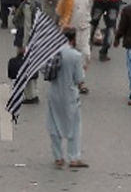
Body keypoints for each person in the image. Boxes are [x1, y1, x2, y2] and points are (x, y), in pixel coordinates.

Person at [46, 28, 87, 170]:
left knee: (54, 124)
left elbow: (45, 71)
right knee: (74, 126)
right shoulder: (75, 55)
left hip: (54, 93)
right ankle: (73, 157)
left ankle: (58, 157)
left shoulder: (52, 53)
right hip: (70, 94)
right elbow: (79, 78)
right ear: (73, 39)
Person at [12, 0, 41, 103]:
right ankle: (33, 93)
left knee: (25, 67)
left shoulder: (27, 5)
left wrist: (25, 45)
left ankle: (30, 95)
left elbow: (27, 25)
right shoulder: (37, 2)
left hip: (26, 38)